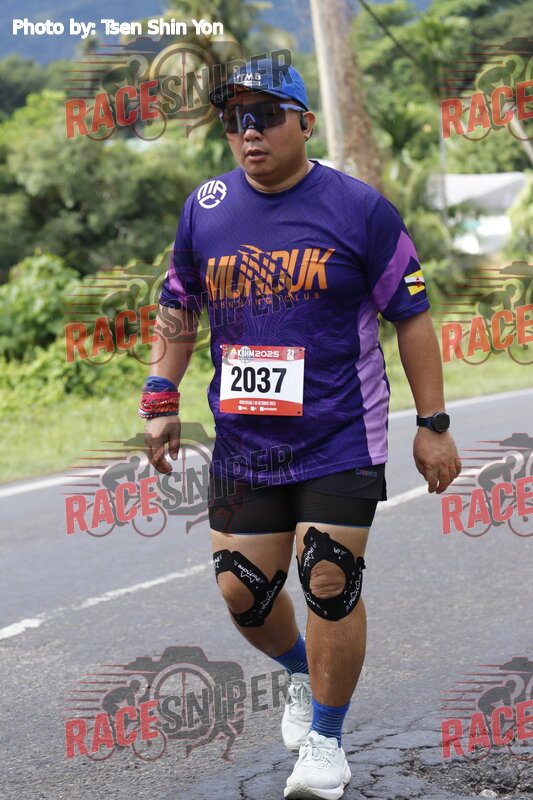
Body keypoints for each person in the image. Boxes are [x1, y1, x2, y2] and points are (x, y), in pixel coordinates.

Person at [140, 57, 461, 800]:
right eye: (233, 120)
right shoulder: (206, 209)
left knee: (328, 577)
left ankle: (326, 740)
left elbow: (411, 316)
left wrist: (433, 424)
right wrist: (159, 392)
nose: (247, 133)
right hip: (245, 441)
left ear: (304, 122)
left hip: (340, 432)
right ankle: (299, 673)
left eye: (265, 116)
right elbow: (178, 304)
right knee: (241, 591)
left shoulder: (360, 210)